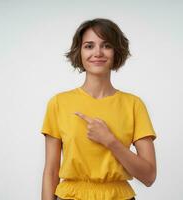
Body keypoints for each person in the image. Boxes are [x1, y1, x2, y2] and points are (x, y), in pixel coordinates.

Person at [40, 18, 157, 200]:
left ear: (116, 52)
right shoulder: (58, 103)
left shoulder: (134, 105)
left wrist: (110, 141)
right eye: (89, 46)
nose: (98, 52)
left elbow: (149, 176)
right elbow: (51, 171)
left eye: (106, 45)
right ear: (79, 52)